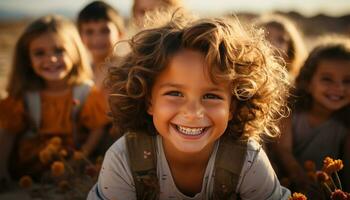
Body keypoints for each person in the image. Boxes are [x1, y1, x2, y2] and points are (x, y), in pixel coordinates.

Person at [87, 11, 292, 200]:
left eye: (211, 96)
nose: (193, 113)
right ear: (149, 100)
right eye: (175, 93)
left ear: (233, 106)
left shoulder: (246, 159)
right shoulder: (125, 158)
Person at [0, 15, 109, 182]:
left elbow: (98, 128)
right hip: (26, 170)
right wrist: (2, 168)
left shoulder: (85, 92)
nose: (51, 59)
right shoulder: (24, 96)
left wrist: (77, 160)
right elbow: (8, 133)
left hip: (70, 167)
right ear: (27, 59)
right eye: (39, 53)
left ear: (75, 53)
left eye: (59, 50)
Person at [272, 36, 350, 197]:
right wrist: (299, 178)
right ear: (308, 82)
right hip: (286, 186)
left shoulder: (345, 125)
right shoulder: (290, 110)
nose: (338, 87)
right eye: (327, 79)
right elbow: (283, 150)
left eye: (348, 81)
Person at [77, 0, 125, 90]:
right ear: (80, 36)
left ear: (120, 33)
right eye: (89, 32)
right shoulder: (80, 73)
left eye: (105, 31)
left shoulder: (126, 70)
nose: (97, 38)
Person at [255, 14, 307, 81]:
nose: (272, 45)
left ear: (291, 48)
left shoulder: (297, 85)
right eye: (264, 38)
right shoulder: (244, 81)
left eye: (280, 40)